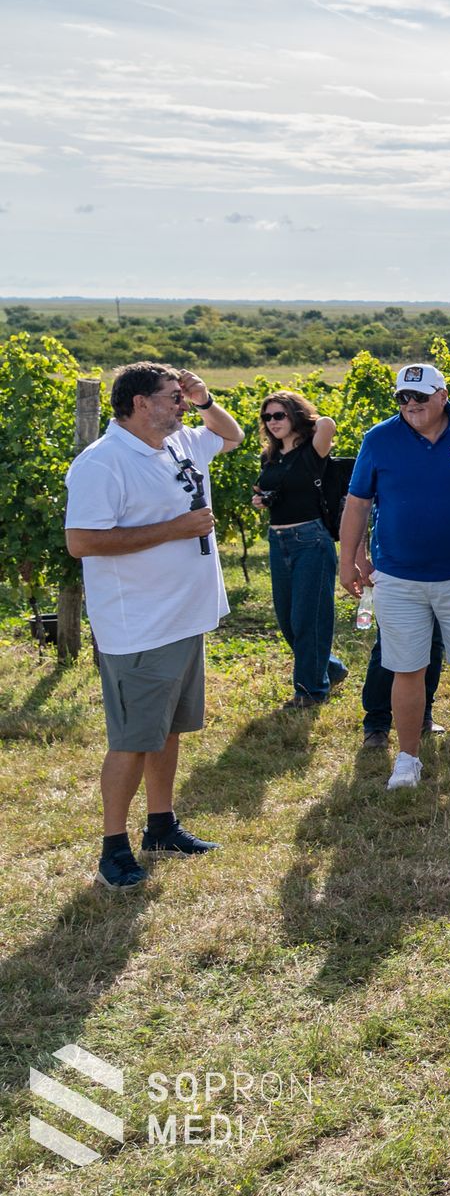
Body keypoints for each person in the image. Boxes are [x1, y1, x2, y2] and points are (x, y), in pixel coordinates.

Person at [64, 363, 242, 889]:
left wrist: (206, 399)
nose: (182, 404)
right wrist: (175, 530)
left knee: (167, 730)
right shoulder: (104, 463)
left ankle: (161, 825)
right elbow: (83, 541)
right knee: (133, 739)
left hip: (184, 617)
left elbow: (228, 437)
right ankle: (112, 848)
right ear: (140, 403)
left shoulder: (179, 441)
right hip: (140, 625)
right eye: (174, 396)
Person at [338, 363, 450, 789]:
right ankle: (407, 759)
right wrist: (349, 559)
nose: (411, 405)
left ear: (442, 395)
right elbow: (358, 503)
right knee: (407, 668)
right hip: (398, 577)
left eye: (419, 397)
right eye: (403, 398)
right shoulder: (378, 439)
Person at [251, 389, 346, 705]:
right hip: (278, 542)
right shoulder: (271, 457)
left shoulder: (312, 451)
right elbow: (273, 491)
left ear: (295, 415)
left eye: (279, 415)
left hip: (311, 540)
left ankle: (309, 691)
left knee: (309, 617)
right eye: (267, 417)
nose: (272, 421)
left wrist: (305, 422)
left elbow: (328, 424)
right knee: (288, 620)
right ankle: (329, 669)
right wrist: (261, 500)